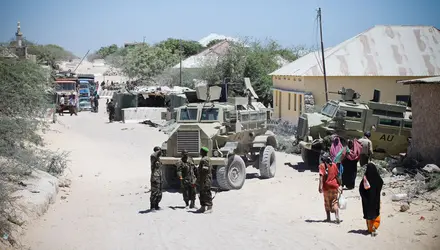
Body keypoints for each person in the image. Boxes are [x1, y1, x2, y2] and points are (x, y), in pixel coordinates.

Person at [359, 163, 383, 237]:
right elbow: (381, 183)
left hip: (367, 201)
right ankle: (375, 226)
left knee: (368, 215)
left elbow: (361, 189)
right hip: (375, 200)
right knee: (376, 214)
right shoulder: (377, 178)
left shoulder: (365, 178)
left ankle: (370, 229)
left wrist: (364, 197)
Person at [318, 152, 341, 223]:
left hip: (326, 187)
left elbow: (321, 177)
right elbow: (337, 176)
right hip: (334, 186)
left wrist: (320, 186)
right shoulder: (334, 165)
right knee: (335, 201)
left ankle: (328, 218)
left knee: (327, 202)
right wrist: (340, 185)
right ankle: (337, 214)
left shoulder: (322, 166)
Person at [196, 147, 213, 214]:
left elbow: (205, 170)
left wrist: (199, 170)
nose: (200, 152)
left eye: (201, 151)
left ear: (203, 152)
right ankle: (203, 207)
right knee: (202, 193)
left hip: (205, 179)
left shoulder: (205, 160)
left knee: (206, 193)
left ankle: (209, 207)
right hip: (202, 179)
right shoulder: (204, 159)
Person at [150, 146, 163, 211]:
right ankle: (152, 207)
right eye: (158, 151)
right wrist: (158, 151)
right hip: (155, 178)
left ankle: (157, 205)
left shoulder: (158, 159)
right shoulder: (153, 158)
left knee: (159, 193)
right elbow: (153, 155)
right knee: (154, 193)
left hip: (159, 178)